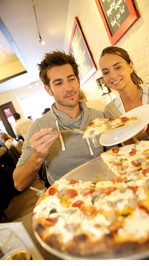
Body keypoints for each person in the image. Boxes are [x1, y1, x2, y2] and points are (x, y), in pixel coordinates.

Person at [13, 50, 104, 191]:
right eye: (58, 83)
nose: (68, 88)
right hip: (68, 201)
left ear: (78, 80)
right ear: (48, 90)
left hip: (106, 187)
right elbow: (19, 183)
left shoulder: (100, 116)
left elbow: (115, 155)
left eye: (71, 78)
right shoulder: (39, 127)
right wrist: (37, 156)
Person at [99, 46, 149, 143]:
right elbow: (131, 148)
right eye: (106, 72)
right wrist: (121, 131)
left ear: (130, 66)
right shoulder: (110, 110)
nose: (112, 76)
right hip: (144, 157)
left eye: (118, 67)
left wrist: (145, 121)